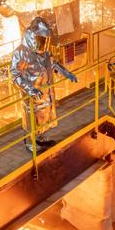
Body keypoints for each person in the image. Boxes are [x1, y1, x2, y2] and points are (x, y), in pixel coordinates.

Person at [10, 17, 78, 152]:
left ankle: (40, 138)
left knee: (44, 118)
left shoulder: (44, 52)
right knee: (32, 120)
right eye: (41, 39)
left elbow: (53, 63)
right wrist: (30, 89)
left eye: (45, 40)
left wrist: (67, 73)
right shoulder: (21, 52)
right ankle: (30, 143)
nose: (44, 43)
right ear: (33, 37)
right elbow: (15, 75)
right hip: (33, 95)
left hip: (46, 93)